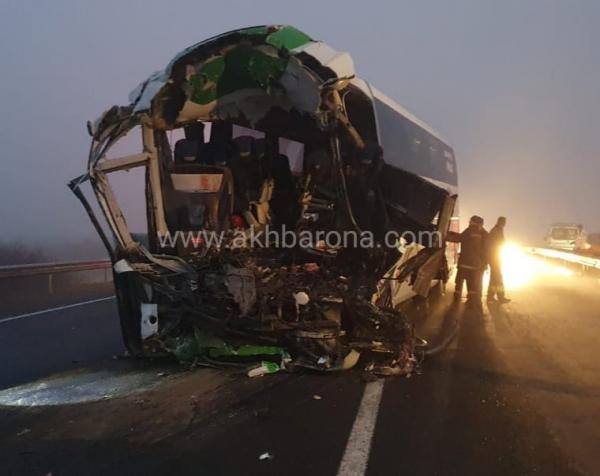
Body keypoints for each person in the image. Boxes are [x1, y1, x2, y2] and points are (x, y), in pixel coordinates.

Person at [447, 215, 488, 312]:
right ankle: (471, 302)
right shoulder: (482, 233)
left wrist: (446, 235)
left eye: (471, 221)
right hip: (475, 265)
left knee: (459, 282)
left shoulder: (470, 230)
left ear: (473, 222)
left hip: (465, 263)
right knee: (472, 285)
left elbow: (459, 238)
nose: (469, 222)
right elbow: (485, 249)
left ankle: (456, 302)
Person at [487, 217, 511, 304]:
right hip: (494, 258)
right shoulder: (496, 231)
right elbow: (493, 245)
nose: (505, 224)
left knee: (494, 279)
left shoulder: (497, 230)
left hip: (495, 257)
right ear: (501, 222)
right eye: (504, 222)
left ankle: (491, 297)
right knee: (498, 278)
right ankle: (500, 297)